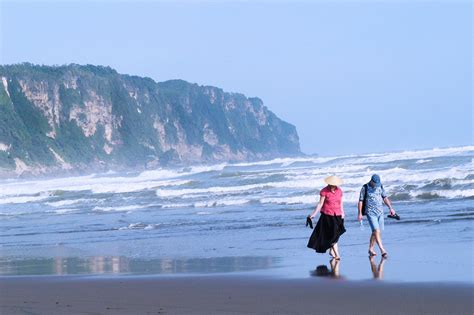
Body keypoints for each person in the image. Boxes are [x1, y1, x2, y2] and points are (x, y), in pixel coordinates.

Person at [307, 175, 346, 259]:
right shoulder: (324, 191)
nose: (334, 185)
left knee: (336, 234)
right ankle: (337, 255)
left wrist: (343, 212)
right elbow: (320, 204)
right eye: (332, 184)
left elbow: (341, 203)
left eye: (335, 184)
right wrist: (313, 214)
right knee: (333, 235)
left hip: (338, 215)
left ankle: (332, 250)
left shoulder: (339, 191)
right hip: (327, 216)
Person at [358, 174, 396, 258]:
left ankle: (370, 249)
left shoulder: (380, 186)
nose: (376, 185)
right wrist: (360, 213)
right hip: (370, 212)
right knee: (376, 230)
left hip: (380, 212)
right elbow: (360, 201)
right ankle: (382, 249)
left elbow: (385, 197)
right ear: (371, 181)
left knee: (375, 232)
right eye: (375, 183)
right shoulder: (365, 187)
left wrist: (391, 208)